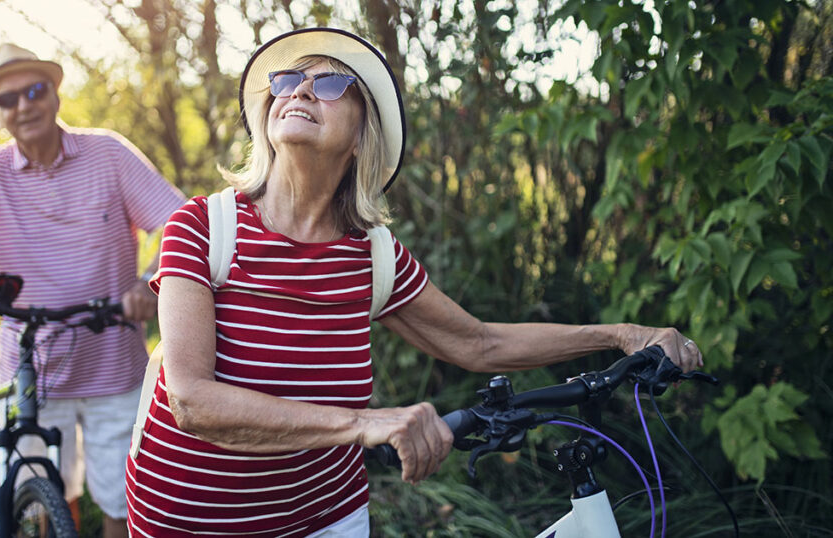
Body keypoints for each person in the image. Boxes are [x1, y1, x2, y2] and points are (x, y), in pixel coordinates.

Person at [124, 28, 703, 537]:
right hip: (191, 520)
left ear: (360, 139)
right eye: (288, 80)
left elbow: (480, 343)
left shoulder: (374, 255)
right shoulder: (203, 225)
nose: (300, 89)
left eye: (331, 86)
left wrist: (622, 335)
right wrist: (366, 422)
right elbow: (193, 401)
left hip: (329, 516)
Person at [0, 42, 186, 537]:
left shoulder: (107, 153)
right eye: (7, 99)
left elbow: (178, 224)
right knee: (38, 506)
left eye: (34, 90)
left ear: (55, 94)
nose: (23, 105)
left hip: (115, 367)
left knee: (127, 501)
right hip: (31, 371)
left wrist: (150, 281)